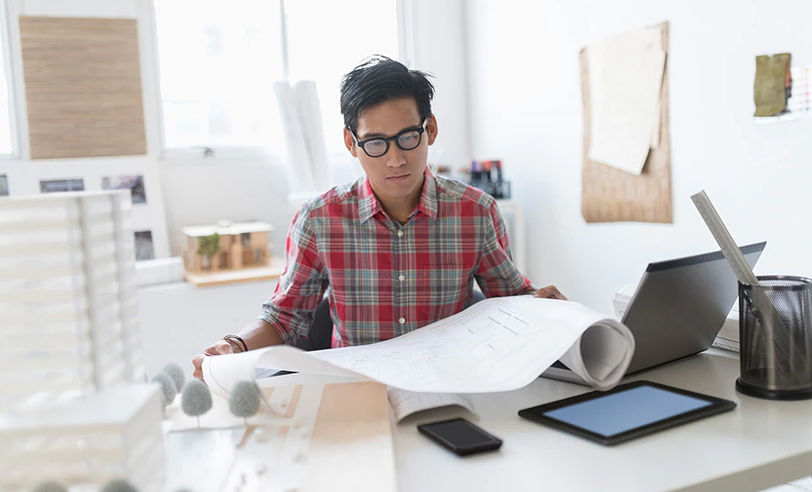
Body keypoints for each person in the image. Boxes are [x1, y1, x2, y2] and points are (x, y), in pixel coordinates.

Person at [192, 55, 565, 379]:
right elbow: (284, 318)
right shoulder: (319, 220)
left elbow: (511, 301)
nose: (395, 159)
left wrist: (541, 307)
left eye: (407, 137)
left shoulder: (476, 212)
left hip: (452, 382)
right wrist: (234, 346)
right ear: (350, 143)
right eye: (375, 143)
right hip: (353, 388)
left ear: (430, 130)